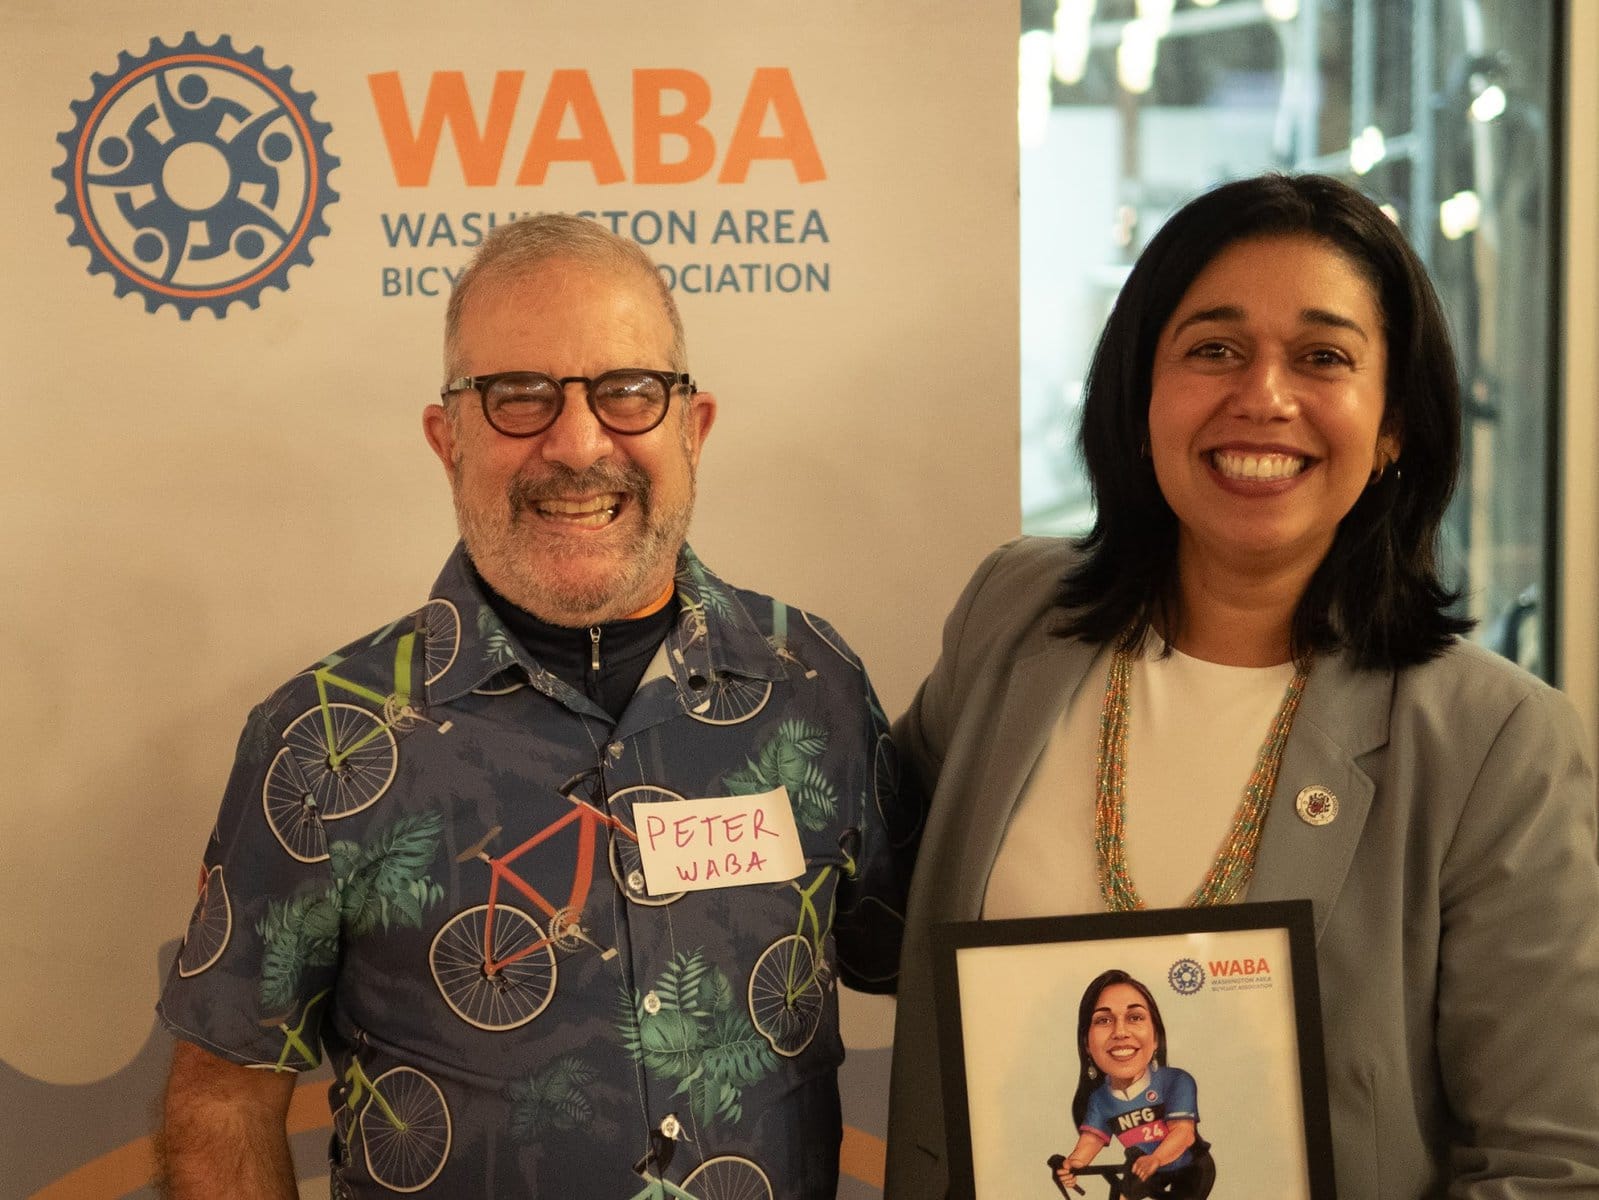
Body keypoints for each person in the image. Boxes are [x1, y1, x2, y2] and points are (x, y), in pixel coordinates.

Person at [155, 213, 909, 1198]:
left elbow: (922, 974)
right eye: (518, 396)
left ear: (694, 425)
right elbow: (223, 1101)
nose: (579, 442)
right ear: (448, 436)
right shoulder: (322, 741)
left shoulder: (814, 686)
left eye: (629, 391)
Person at [884, 173, 1599, 1197]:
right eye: (1214, 349)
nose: (1264, 396)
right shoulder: (1016, 615)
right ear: (1141, 396)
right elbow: (866, 910)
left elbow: (1550, 1162)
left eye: (1323, 358)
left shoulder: (1493, 739)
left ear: (1394, 422)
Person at [1053, 970, 1214, 1199]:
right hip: (1143, 1166)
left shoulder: (1176, 1081)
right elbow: (1091, 1141)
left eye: (1135, 1017)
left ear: (1156, 1037)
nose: (1120, 1032)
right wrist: (1073, 1165)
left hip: (1190, 1168)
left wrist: (1156, 1159)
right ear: (1087, 1044)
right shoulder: (1100, 1099)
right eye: (1104, 1020)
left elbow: (1183, 1134)